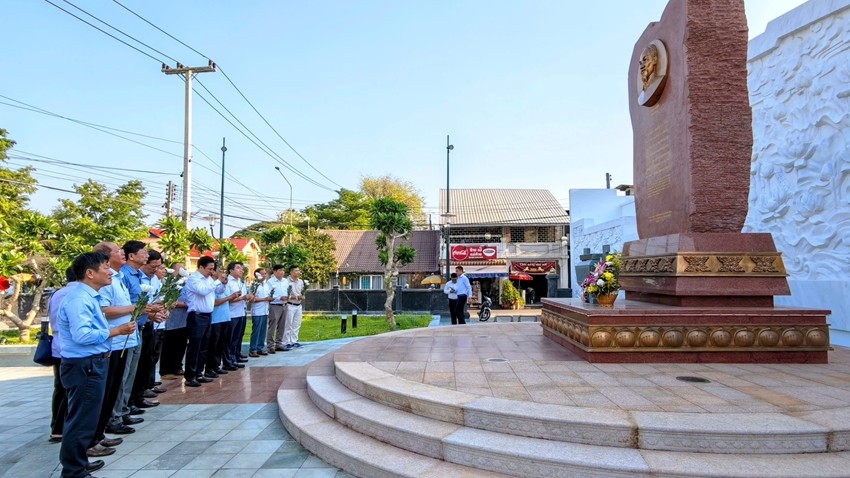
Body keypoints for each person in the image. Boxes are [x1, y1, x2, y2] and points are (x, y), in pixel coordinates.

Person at [57, 252, 136, 478]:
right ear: (90, 273)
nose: (110, 271)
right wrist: (116, 331)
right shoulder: (79, 299)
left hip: (93, 363)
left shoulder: (91, 297)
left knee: (87, 418)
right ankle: (73, 471)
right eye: (105, 267)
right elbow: (82, 336)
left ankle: (78, 462)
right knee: (81, 419)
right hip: (84, 365)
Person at [47, 267, 79, 444]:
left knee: (60, 388)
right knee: (71, 390)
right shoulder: (78, 294)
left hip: (58, 345)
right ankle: (62, 427)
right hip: (72, 347)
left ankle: (56, 427)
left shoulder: (57, 293)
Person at [183, 256, 221, 387]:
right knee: (195, 346)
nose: (212, 271)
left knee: (204, 346)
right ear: (201, 267)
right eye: (210, 269)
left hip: (207, 315)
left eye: (213, 269)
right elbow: (203, 291)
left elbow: (217, 291)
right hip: (196, 316)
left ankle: (199, 372)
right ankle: (190, 376)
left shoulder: (209, 279)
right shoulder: (194, 279)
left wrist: (222, 282)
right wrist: (216, 281)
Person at [159, 263, 189, 378]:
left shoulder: (185, 284)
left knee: (181, 344)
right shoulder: (168, 283)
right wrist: (184, 304)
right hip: (171, 320)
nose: (183, 270)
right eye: (180, 268)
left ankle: (177, 366)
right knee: (169, 345)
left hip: (183, 319)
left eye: (184, 268)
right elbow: (167, 301)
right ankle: (166, 370)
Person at [205, 274, 239, 376]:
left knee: (221, 344)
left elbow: (229, 298)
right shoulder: (211, 285)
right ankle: (209, 368)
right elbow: (215, 302)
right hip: (216, 319)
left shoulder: (223, 286)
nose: (224, 276)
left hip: (225, 317)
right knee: (213, 345)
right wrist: (230, 297)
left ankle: (216, 366)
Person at [224, 262, 252, 366]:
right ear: (231, 270)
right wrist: (242, 298)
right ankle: (230, 359)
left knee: (239, 336)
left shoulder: (241, 281)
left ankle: (236, 354)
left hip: (241, 312)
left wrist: (248, 297)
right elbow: (229, 299)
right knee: (231, 337)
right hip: (232, 313)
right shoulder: (227, 282)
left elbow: (243, 296)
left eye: (242, 268)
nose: (241, 270)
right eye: (238, 268)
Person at [248, 268, 272, 357]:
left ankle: (260, 348)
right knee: (256, 331)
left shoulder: (266, 285)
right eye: (262, 274)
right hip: (257, 311)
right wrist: (264, 299)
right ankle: (253, 349)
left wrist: (269, 298)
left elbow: (268, 296)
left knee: (263, 330)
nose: (264, 276)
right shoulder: (254, 285)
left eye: (265, 274)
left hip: (265, 310)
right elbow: (252, 299)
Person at [265, 265, 288, 353]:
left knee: (282, 325)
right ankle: (270, 345)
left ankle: (279, 343)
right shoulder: (270, 282)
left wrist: (287, 297)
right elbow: (268, 294)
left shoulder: (285, 281)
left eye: (283, 270)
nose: (282, 272)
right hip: (275, 305)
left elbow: (287, 291)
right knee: (273, 325)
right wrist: (279, 298)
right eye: (280, 270)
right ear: (275, 272)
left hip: (284, 305)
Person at [282, 266, 305, 350]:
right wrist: (295, 297)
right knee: (288, 324)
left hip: (298, 305)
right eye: (296, 270)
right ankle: (286, 341)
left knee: (297, 324)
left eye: (299, 270)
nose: (298, 272)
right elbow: (284, 294)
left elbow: (302, 291)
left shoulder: (301, 281)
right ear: (291, 272)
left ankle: (294, 340)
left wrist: (302, 296)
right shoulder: (286, 281)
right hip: (290, 304)